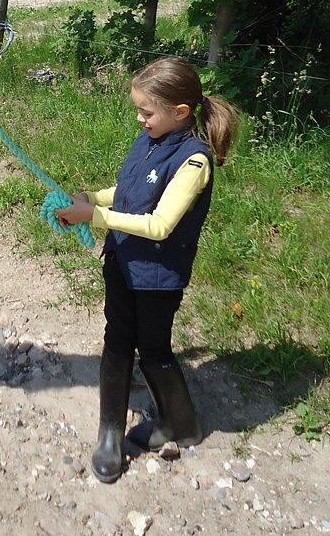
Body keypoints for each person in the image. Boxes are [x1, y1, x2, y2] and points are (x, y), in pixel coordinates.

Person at [56, 56, 240, 483]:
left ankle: (183, 425)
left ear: (181, 112)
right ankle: (109, 434)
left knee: (154, 347)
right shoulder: (152, 138)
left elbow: (159, 224)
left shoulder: (194, 163)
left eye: (146, 111)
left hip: (158, 278)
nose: (140, 119)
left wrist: (94, 218)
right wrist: (95, 198)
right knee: (117, 341)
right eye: (139, 110)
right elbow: (132, 189)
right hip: (122, 262)